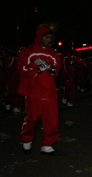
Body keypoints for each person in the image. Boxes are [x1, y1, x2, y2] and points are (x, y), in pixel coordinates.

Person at [17, 25, 61, 155]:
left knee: (51, 119)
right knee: (32, 118)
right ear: (40, 37)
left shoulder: (52, 53)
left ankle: (47, 144)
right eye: (47, 37)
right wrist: (36, 69)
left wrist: (50, 68)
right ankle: (26, 141)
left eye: (50, 38)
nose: (49, 40)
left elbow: (56, 69)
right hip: (33, 92)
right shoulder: (28, 51)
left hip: (49, 92)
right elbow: (21, 69)